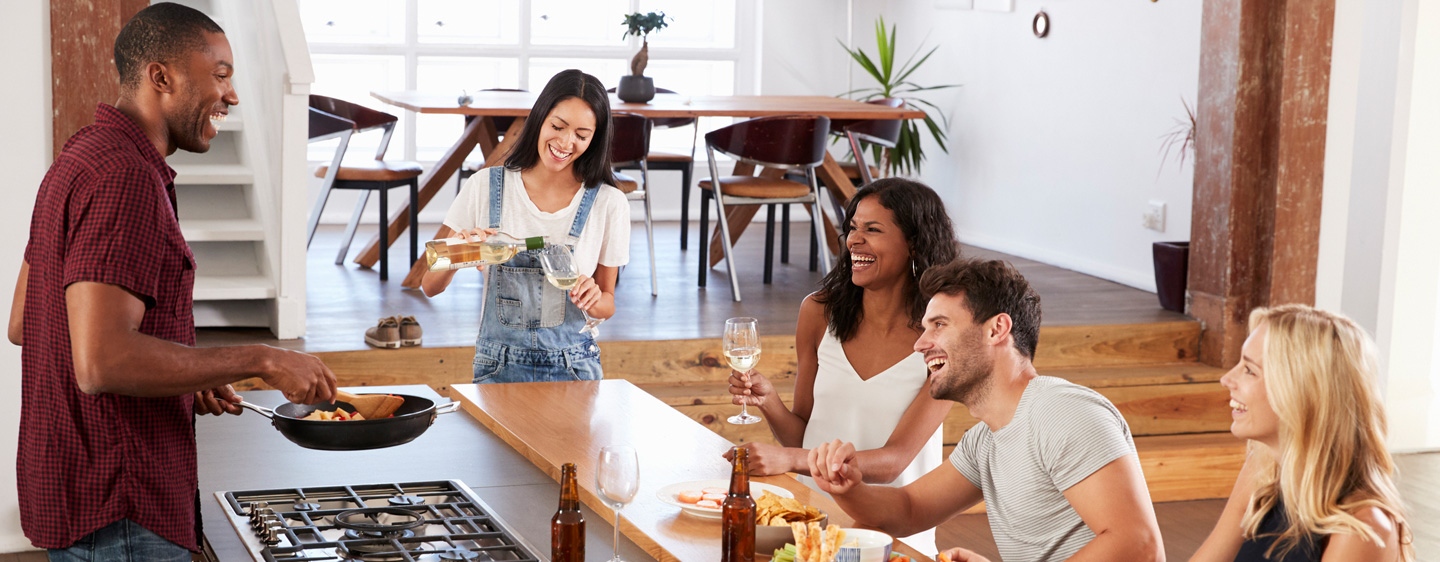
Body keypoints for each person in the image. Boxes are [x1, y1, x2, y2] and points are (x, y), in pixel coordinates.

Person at [7, 4, 337, 560]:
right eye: (221, 74)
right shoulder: (124, 179)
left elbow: (26, 322)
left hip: (74, 492)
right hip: (123, 509)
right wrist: (264, 358)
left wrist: (181, 372)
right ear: (162, 77)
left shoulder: (80, 157)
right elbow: (102, 362)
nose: (232, 95)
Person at [809, 258, 1165, 562]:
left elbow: (1138, 545)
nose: (920, 343)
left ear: (997, 329)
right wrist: (848, 488)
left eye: (939, 325)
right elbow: (908, 509)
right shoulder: (986, 442)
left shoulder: (1061, 411)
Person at [724, 178, 959, 554]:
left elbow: (894, 460)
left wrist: (790, 460)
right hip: (816, 524)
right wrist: (769, 401)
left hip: (893, 537)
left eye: (873, 230)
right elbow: (800, 437)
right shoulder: (818, 312)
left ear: (914, 242)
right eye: (852, 228)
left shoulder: (946, 337)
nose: (854, 240)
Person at [421, 69, 630, 383]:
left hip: (575, 367)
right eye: (557, 126)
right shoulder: (485, 187)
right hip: (498, 366)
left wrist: (594, 297)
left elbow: (607, 304)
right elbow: (429, 286)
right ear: (540, 119)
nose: (565, 142)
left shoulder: (608, 203)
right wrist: (459, 252)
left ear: (594, 139)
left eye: (581, 135)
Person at [1189, 305, 1414, 562]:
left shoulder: (1361, 530)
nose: (1227, 379)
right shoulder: (1263, 471)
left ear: (1301, 394)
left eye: (1250, 370)